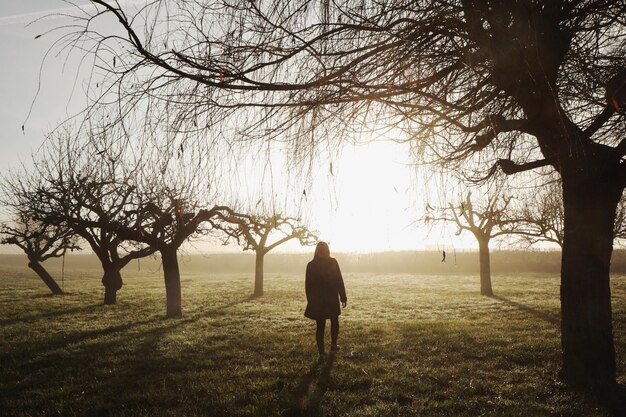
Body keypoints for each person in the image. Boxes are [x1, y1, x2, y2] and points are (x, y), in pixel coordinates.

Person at [304, 241, 347, 360]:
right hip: (331, 297)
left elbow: (308, 285)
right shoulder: (332, 262)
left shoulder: (311, 265)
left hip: (318, 299)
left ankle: (321, 352)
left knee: (320, 325)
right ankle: (333, 345)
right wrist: (343, 296)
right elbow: (339, 280)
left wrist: (310, 300)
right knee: (334, 321)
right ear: (327, 250)